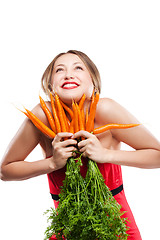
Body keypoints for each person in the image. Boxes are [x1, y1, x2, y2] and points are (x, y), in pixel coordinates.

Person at [1, 50, 160, 240]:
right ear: (50, 85)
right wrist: (52, 163)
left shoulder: (106, 109)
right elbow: (6, 170)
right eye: (59, 70)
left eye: (78, 67)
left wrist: (106, 155)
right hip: (68, 224)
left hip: (115, 222)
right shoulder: (42, 115)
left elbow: (157, 155)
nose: (69, 74)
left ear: (93, 80)